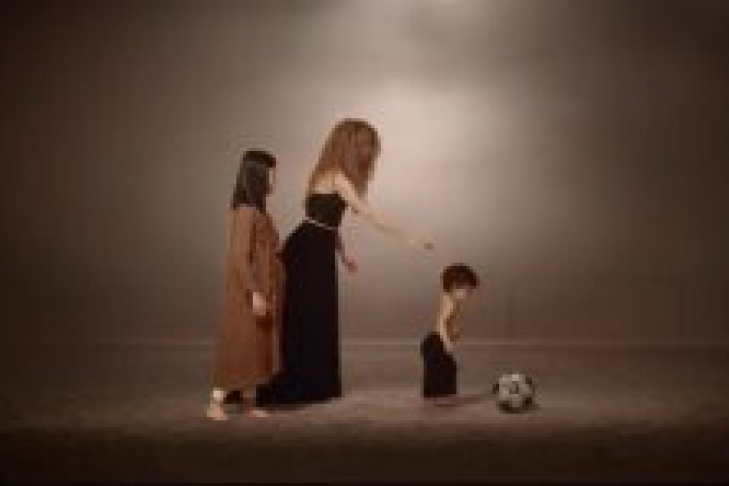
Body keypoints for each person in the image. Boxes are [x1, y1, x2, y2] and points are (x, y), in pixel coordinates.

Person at [257, 118, 434, 406]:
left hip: (318, 248)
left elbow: (326, 221)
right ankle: (300, 383)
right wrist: (408, 237)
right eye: (364, 146)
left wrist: (342, 253)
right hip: (307, 251)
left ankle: (314, 384)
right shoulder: (335, 176)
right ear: (348, 146)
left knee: (316, 315)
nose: (369, 152)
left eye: (371, 146)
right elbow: (366, 213)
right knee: (306, 316)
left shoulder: (325, 173)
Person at [206, 149, 284, 421]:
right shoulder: (246, 212)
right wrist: (254, 293)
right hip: (247, 291)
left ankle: (250, 403)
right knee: (240, 343)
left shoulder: (260, 213)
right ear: (258, 176)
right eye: (272, 174)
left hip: (264, 288)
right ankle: (214, 403)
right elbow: (239, 256)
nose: (275, 179)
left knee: (255, 345)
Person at [421, 263, 480, 406]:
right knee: (446, 368)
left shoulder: (448, 296)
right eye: (467, 291)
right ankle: (441, 396)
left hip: (433, 341)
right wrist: (447, 341)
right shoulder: (451, 303)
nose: (469, 295)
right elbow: (441, 323)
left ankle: (433, 395)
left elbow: (444, 283)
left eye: (471, 291)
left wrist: (453, 333)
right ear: (454, 287)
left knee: (438, 368)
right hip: (435, 341)